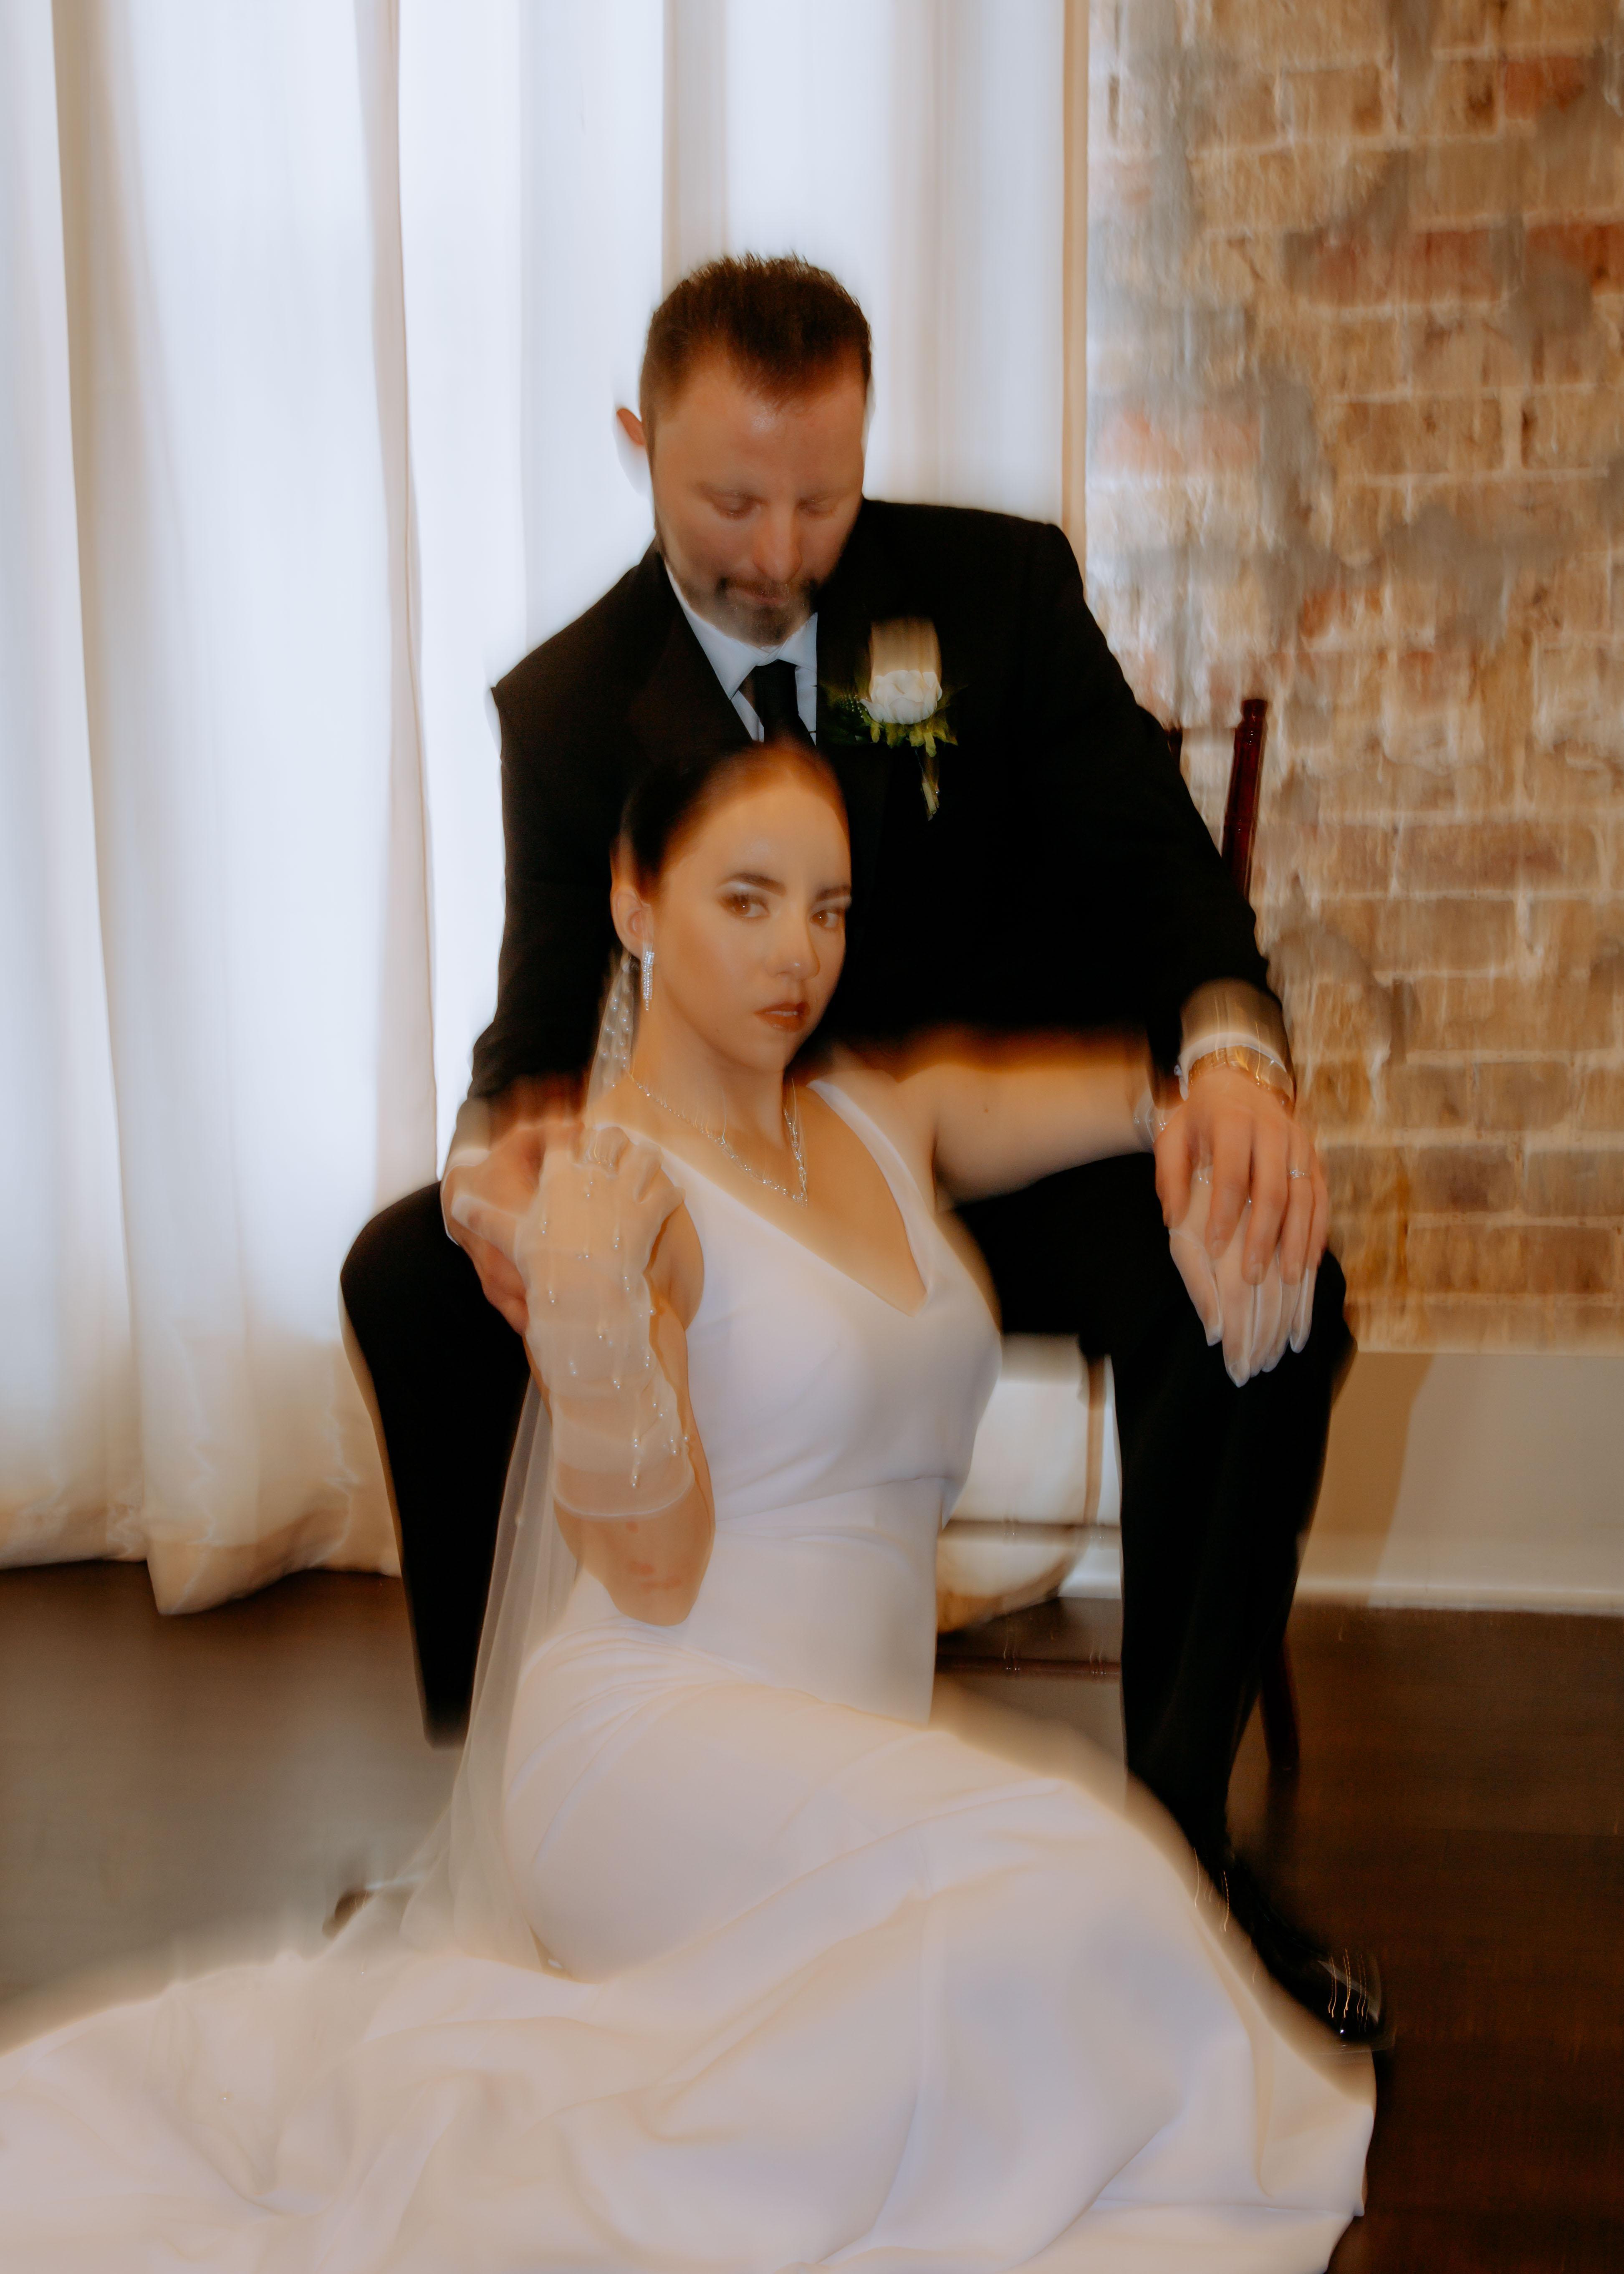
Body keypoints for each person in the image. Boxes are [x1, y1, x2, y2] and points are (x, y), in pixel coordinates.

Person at [0, 741, 1373, 2271]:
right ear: (634, 900)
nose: (799, 954)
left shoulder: (882, 1111)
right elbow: (651, 1568)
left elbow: (1116, 1095)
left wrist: (1213, 1111)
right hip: (648, 1745)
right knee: (1086, 1884)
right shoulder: (618, 1192)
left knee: (1094, 1890)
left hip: (841, 1756)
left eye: (829, 909)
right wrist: (591, 1322)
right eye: (747, 900)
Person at [342, 254, 1379, 2043]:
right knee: (407, 1278)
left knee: (1270, 1285)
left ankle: (1179, 1851)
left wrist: (1227, 1060)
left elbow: (1155, 860)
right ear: (637, 444)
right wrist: (498, 1159)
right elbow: (539, 1021)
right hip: (750, 1176)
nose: (778, 551)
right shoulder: (568, 707)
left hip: (984, 1149)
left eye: (821, 501)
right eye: (728, 502)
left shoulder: (996, 591)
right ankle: (497, 1799)